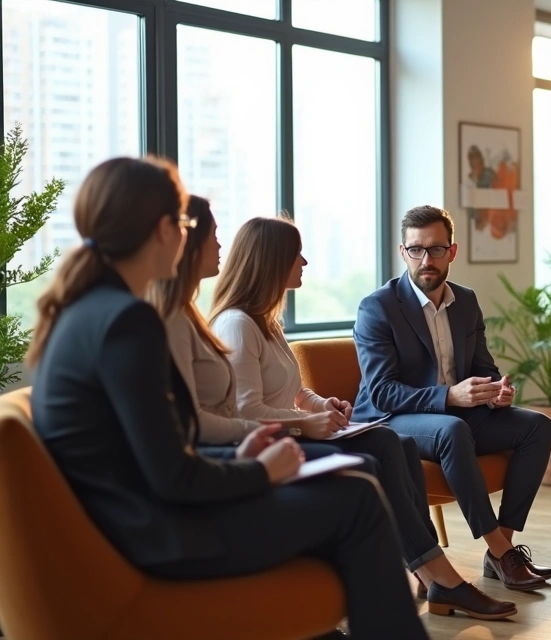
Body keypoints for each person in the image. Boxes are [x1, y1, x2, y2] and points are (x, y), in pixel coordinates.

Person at [27, 156, 425, 638]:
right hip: (153, 535)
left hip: (132, 519)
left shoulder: (90, 310)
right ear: (162, 230)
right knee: (356, 499)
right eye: (183, 222)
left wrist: (242, 454)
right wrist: (259, 471)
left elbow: (161, 448)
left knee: (348, 485)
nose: (189, 234)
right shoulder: (128, 323)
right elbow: (173, 476)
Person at [152, 204, 513, 620]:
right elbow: (245, 407)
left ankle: (430, 574)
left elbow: (291, 387)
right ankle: (439, 577)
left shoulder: (267, 322)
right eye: (296, 255)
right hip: (258, 439)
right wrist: (308, 423)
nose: (304, 262)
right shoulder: (235, 324)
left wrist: (319, 404)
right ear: (272, 263)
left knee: (394, 442)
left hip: (283, 429)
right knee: (379, 454)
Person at [351, 205, 551, 592]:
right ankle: (501, 553)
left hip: (457, 412)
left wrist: (497, 391)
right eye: (416, 250)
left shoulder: (467, 301)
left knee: (538, 427)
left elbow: (483, 366)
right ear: (403, 251)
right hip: (392, 418)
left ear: (453, 252)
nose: (426, 260)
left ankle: (503, 548)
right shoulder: (378, 306)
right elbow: (380, 391)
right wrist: (449, 396)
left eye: (436, 249)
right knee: (453, 428)